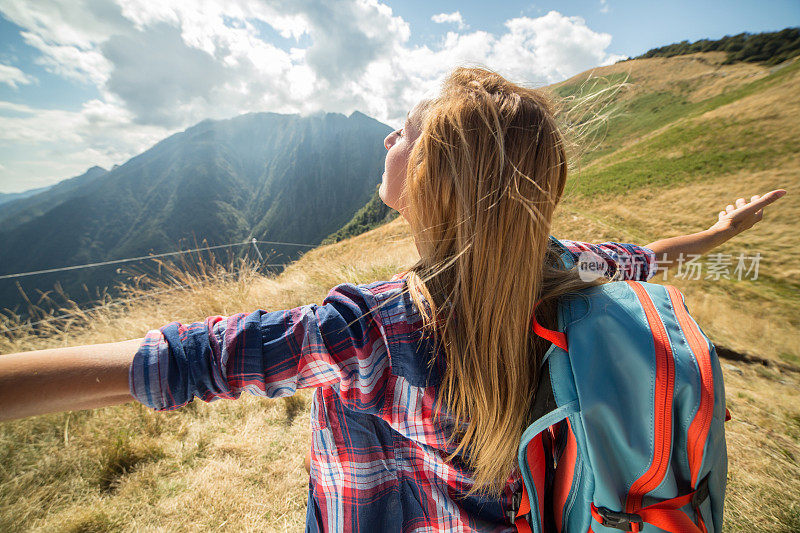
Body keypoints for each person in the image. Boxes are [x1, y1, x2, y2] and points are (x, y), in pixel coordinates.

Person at [0, 67, 785, 532]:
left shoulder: (370, 328)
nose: (386, 138)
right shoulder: (568, 273)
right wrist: (723, 230)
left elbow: (186, 361)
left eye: (404, 130)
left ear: (438, 180)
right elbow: (650, 259)